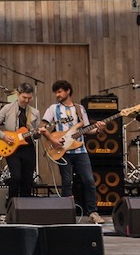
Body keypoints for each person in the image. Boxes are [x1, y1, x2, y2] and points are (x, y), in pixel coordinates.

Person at [41, 80, 105, 223]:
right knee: (66, 182)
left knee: (88, 180)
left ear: (68, 91)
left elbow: (88, 129)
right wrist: (52, 140)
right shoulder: (53, 109)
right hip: (62, 150)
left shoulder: (79, 109)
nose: (57, 95)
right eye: (56, 92)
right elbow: (43, 128)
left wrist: (99, 128)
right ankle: (66, 212)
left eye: (60, 91)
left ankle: (93, 212)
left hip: (80, 150)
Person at [0, 83, 40, 199]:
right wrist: (3, 136)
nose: (27, 101)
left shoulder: (35, 112)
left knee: (28, 179)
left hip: (28, 147)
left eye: (29, 98)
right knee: (16, 177)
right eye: (24, 97)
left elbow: (36, 136)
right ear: (18, 94)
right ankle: (12, 203)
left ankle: (25, 207)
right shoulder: (7, 109)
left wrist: (38, 133)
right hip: (12, 147)